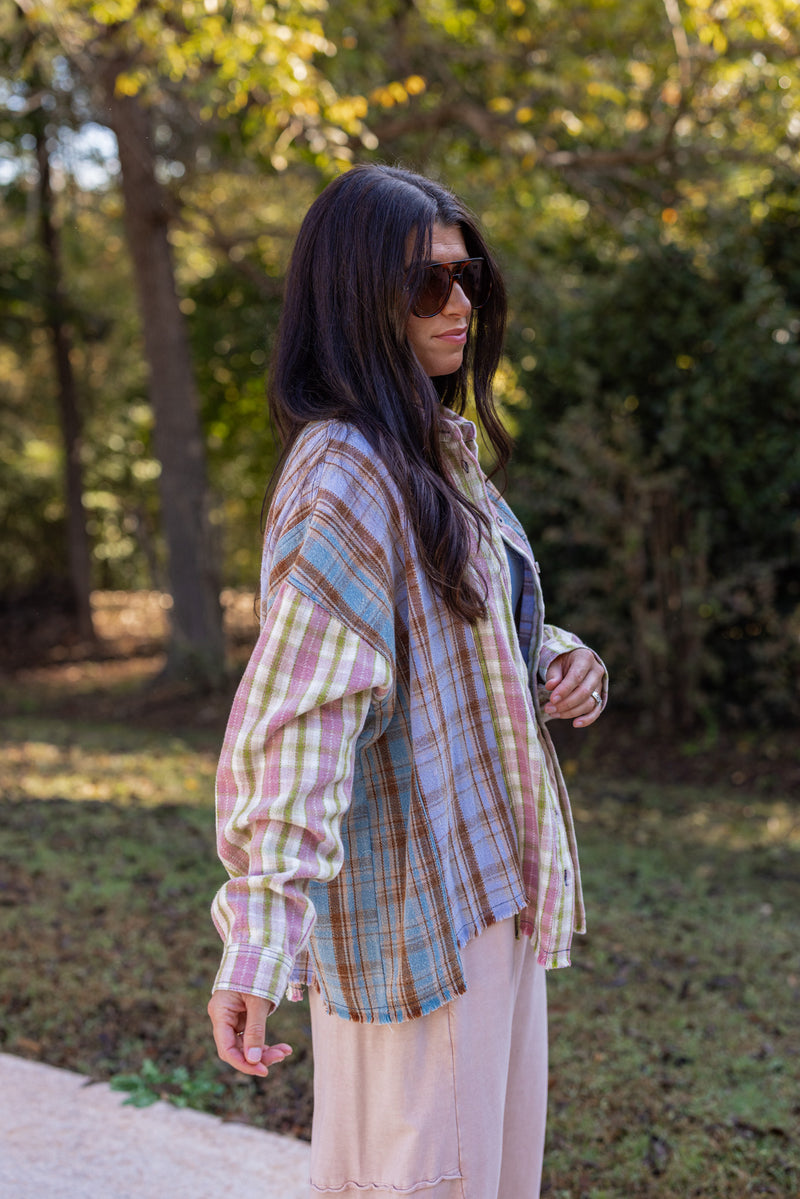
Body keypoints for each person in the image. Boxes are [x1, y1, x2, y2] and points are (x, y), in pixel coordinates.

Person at [208, 163, 607, 1199]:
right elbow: (298, 723)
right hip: (420, 914)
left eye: (465, 277)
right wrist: (256, 940)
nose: (460, 305)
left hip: (486, 888)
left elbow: (440, 631)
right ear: (354, 300)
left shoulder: (425, 451)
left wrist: (553, 653)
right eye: (427, 284)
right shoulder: (348, 471)